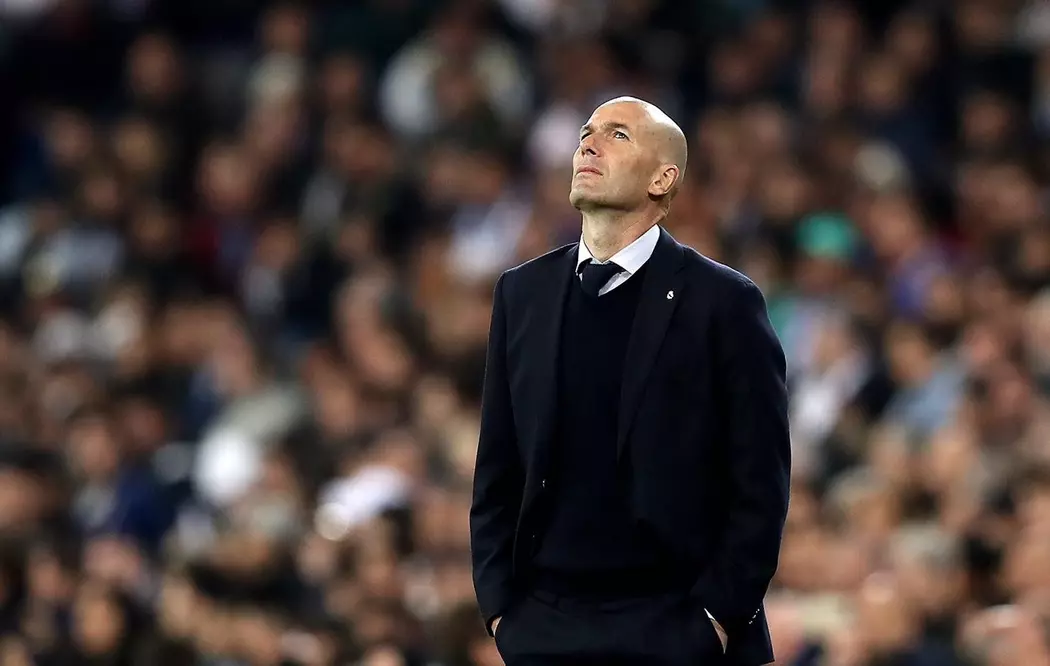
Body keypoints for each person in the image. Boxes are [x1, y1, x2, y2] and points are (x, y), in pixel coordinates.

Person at [469, 96, 791, 665]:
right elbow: (498, 465)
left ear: (663, 179)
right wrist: (501, 611)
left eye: (617, 135)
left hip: (673, 622)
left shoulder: (724, 301)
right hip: (545, 624)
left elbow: (761, 482)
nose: (588, 145)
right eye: (585, 133)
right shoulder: (522, 293)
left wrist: (715, 618)